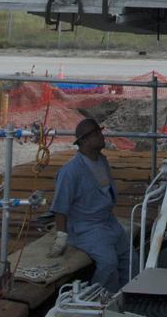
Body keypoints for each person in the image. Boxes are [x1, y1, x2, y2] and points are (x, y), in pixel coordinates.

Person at [49, 116, 131, 293]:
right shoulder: (70, 171)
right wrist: (61, 236)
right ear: (83, 141)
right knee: (109, 263)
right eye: (95, 133)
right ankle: (98, 301)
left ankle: (130, 298)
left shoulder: (102, 160)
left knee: (131, 260)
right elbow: (60, 207)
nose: (101, 136)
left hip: (109, 222)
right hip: (86, 227)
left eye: (99, 132)